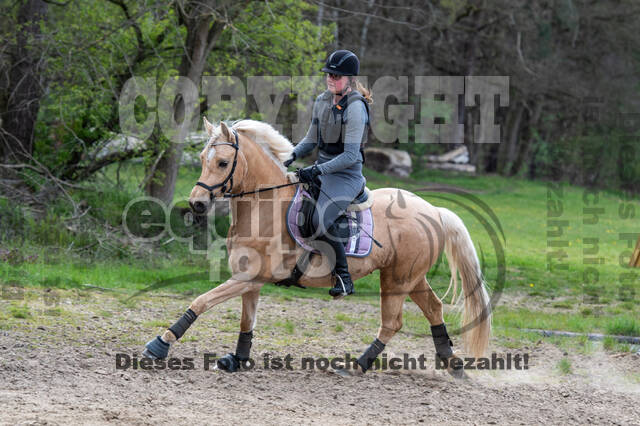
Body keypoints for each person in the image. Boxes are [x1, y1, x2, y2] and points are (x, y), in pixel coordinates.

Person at [283, 49, 372, 298]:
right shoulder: (323, 100)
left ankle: (344, 278)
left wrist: (317, 169)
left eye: (337, 76)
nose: (331, 79)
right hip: (323, 171)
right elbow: (311, 139)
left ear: (350, 80)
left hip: (346, 176)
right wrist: (290, 156)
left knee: (321, 220)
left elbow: (351, 156)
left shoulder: (356, 108)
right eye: (329, 75)